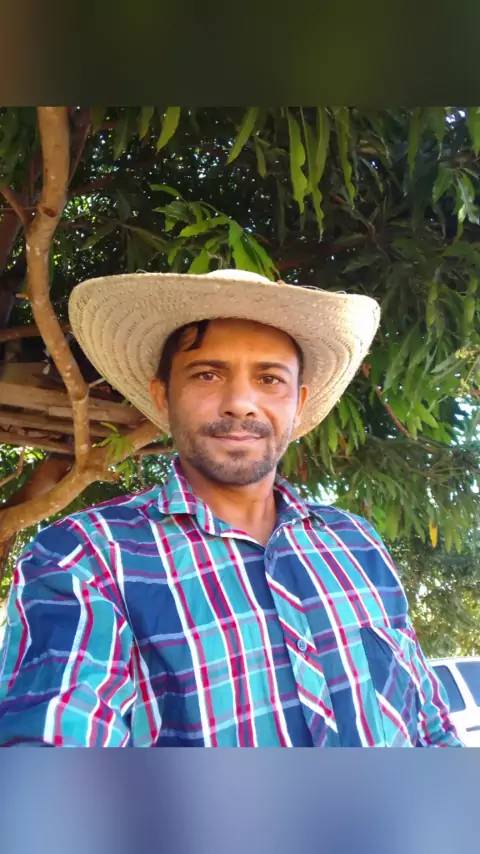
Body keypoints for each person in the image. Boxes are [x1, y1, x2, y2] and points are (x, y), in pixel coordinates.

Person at [0, 269, 461, 747]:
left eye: (270, 378)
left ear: (299, 403)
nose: (240, 403)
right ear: (162, 396)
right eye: (207, 374)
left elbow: (429, 724)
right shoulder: (87, 558)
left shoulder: (357, 543)